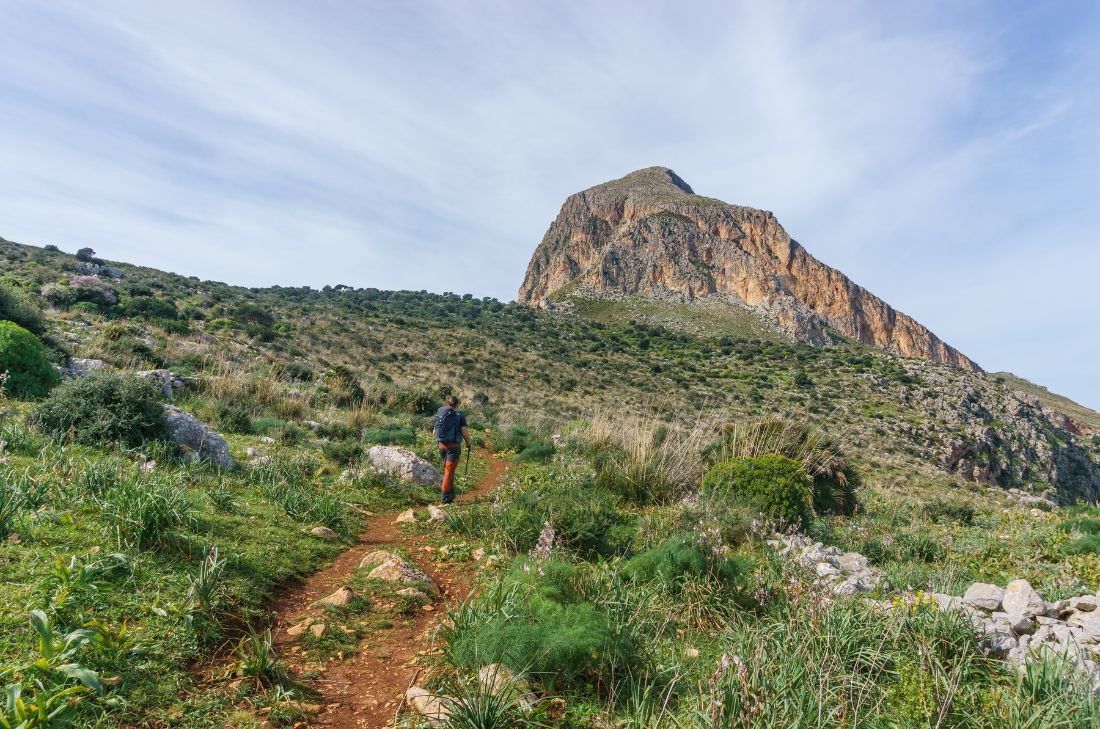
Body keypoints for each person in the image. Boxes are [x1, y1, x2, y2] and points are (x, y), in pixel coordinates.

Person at [434, 395, 471, 504]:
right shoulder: (459, 415)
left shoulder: (441, 413)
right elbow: (464, 432)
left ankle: (450, 494)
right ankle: (445, 497)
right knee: (449, 472)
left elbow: (434, 431)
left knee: (448, 471)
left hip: (441, 446)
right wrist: (469, 443)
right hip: (453, 448)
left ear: (447, 403)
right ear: (457, 404)